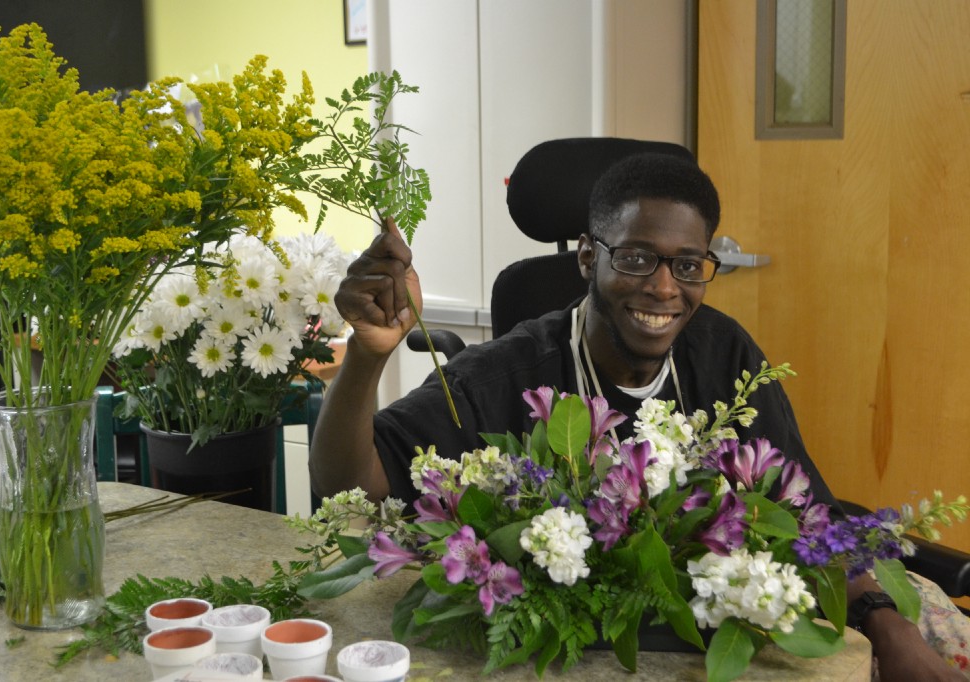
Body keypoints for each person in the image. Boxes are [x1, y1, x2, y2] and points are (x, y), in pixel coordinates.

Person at [310, 153, 964, 681]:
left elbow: (810, 517)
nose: (662, 287)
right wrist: (366, 358)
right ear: (591, 258)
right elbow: (345, 480)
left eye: (688, 265)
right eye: (636, 257)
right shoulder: (511, 372)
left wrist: (889, 625)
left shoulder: (724, 353)